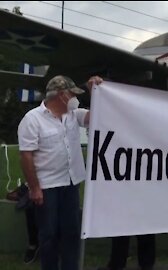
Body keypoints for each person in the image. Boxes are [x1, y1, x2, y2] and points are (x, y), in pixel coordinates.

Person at [18, 75, 102, 270]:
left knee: (71, 233)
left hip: (71, 184)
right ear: (62, 95)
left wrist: (94, 91)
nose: (75, 98)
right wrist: (35, 188)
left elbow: (96, 115)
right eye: (73, 94)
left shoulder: (73, 114)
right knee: (49, 235)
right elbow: (26, 156)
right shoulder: (32, 119)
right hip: (47, 187)